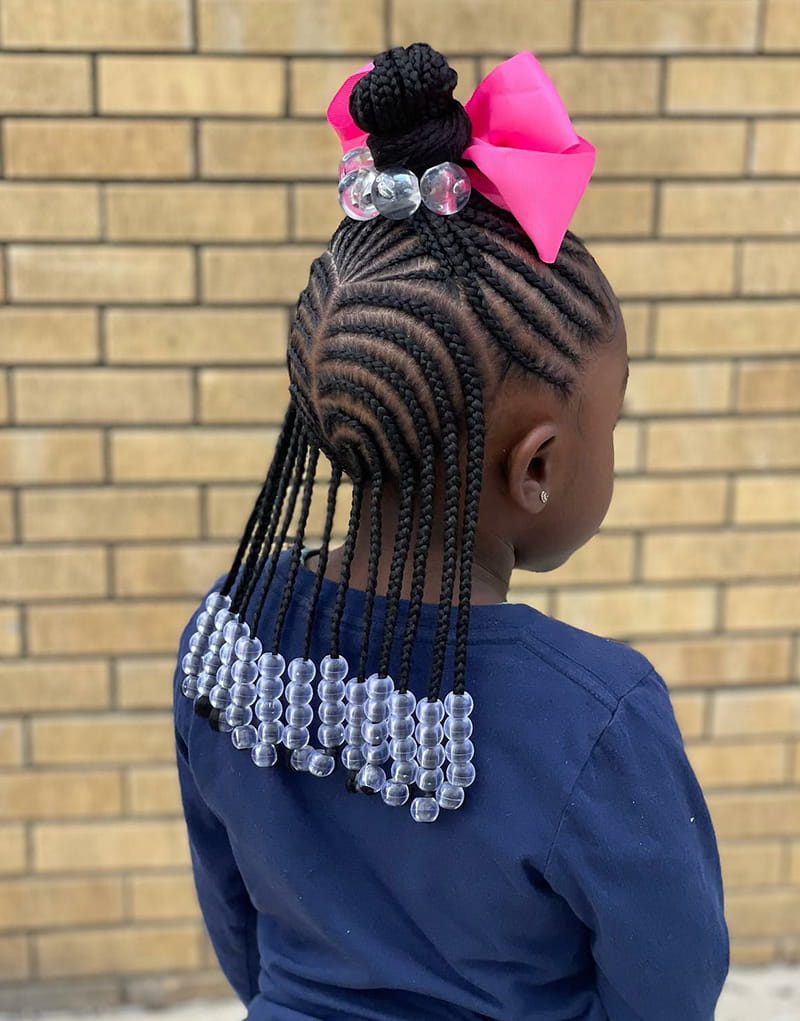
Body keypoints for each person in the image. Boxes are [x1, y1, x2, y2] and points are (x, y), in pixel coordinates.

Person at [173, 43, 728, 1021]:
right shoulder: (596, 720)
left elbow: (238, 930)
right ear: (540, 465)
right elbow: (667, 995)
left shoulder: (225, 641)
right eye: (613, 419)